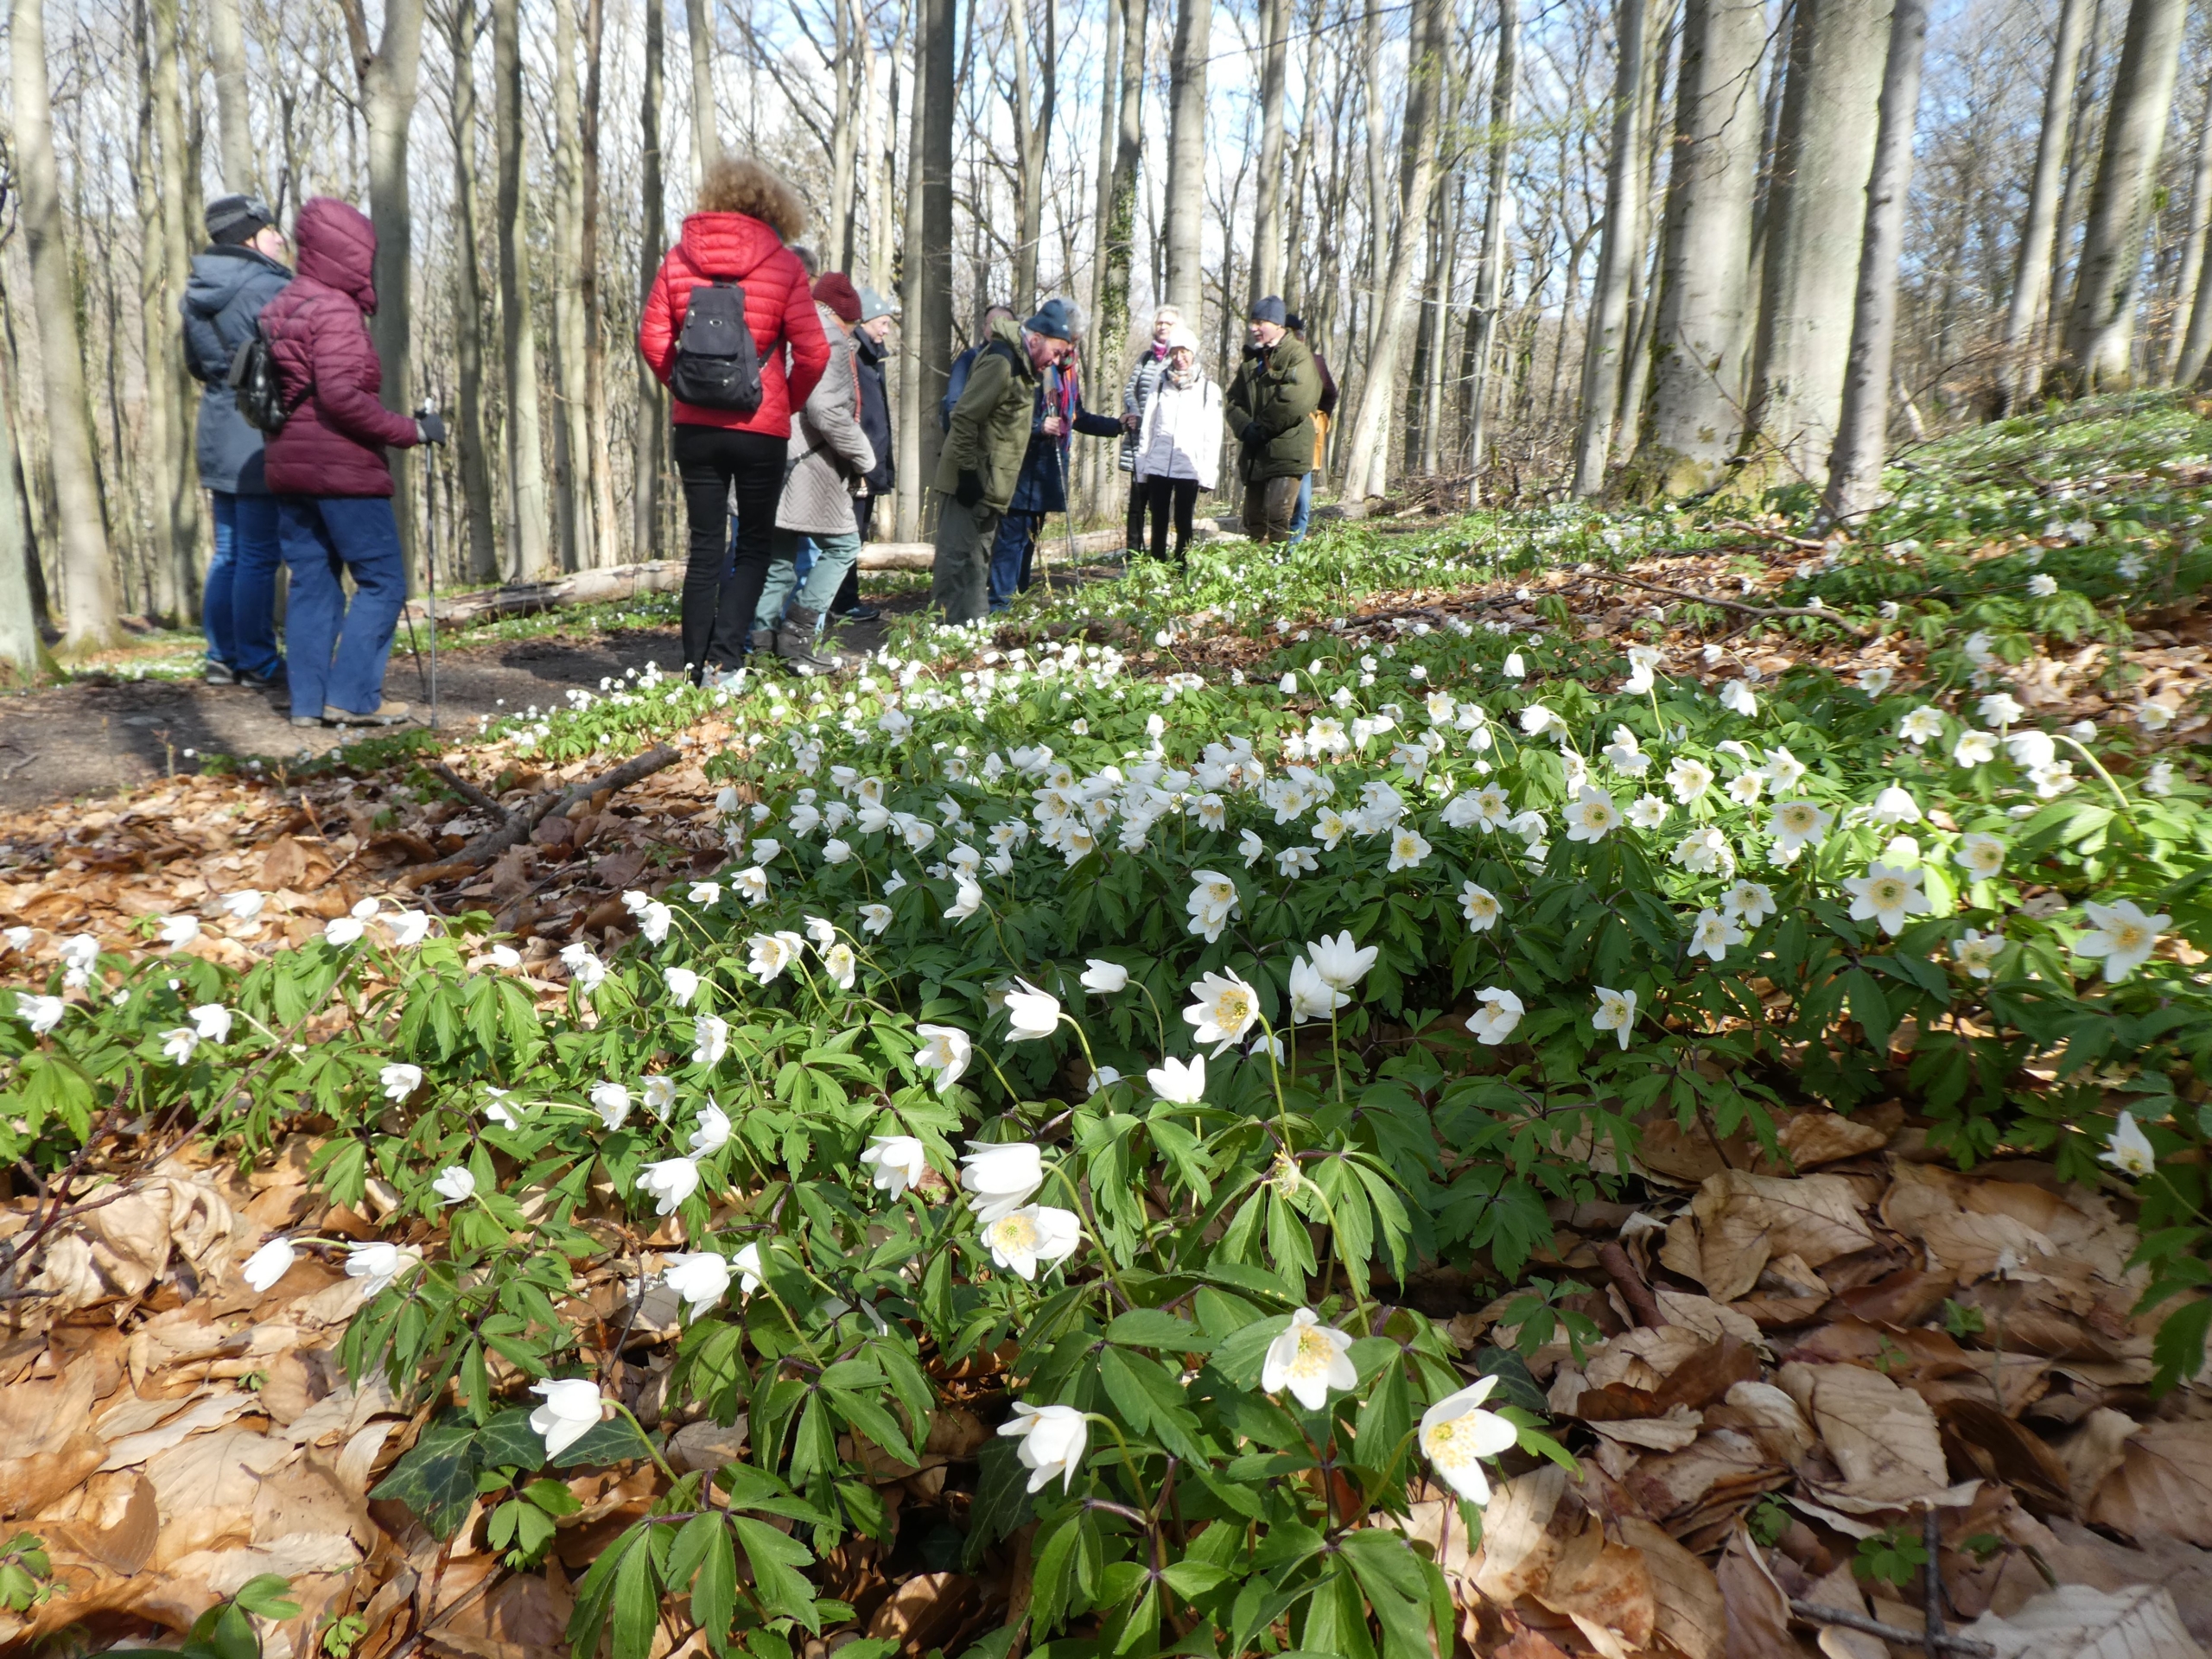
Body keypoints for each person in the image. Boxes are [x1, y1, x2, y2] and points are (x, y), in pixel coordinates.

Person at [639, 156, 830, 683]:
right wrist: (785, 402)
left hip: (695, 430)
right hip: (759, 429)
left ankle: (691, 669)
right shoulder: (784, 265)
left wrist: (685, 388)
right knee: (753, 545)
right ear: (772, 208)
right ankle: (724, 663)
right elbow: (814, 353)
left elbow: (652, 339)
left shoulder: (678, 258)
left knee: (704, 547)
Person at [258, 196, 442, 728]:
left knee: (312, 582)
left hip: (288, 468)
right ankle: (354, 697)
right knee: (382, 582)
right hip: (342, 471)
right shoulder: (336, 310)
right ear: (348, 252)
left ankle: (308, 703)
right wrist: (412, 431)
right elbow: (341, 397)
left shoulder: (280, 305)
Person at [181, 194, 294, 690]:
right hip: (256, 432)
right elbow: (290, 363)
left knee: (229, 550)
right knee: (258, 554)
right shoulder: (268, 287)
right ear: (248, 238)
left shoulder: (196, 290)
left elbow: (195, 363)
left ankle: (222, 657)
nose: (280, 237)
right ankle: (257, 661)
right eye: (270, 230)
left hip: (216, 425)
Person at [749, 272, 874, 673]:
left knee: (779, 560)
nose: (851, 333)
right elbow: (826, 411)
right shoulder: (830, 336)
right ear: (843, 316)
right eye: (852, 326)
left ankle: (760, 648)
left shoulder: (788, 326)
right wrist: (865, 457)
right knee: (844, 546)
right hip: (808, 465)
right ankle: (797, 638)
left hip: (771, 456)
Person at [932, 301, 1081, 624]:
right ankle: (942, 635)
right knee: (956, 562)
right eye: (1056, 352)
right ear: (1037, 339)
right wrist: (967, 473)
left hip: (991, 487)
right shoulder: (1002, 362)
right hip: (968, 483)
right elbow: (964, 417)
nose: (1056, 361)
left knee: (977, 565)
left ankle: (972, 632)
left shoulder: (1024, 367)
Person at [990, 320, 1121, 611]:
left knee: (1030, 538)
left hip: (1049, 468)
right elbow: (1012, 415)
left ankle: (1019, 599)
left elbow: (1077, 417)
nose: (1068, 351)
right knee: (1011, 537)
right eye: (1066, 344)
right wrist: (1039, 426)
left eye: (1073, 344)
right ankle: (999, 604)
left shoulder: (1068, 374)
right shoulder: (1037, 367)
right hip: (1022, 465)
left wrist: (1117, 425)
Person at [1223, 294, 1320, 543]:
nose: (1253, 328)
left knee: (1279, 518)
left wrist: (1262, 428)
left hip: (1287, 451)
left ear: (1278, 324)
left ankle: (1282, 566)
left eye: (1260, 322)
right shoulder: (1251, 362)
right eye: (1252, 322)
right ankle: (1258, 566)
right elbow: (1233, 402)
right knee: (1254, 521)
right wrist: (1246, 428)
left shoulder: (1298, 355)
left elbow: (1296, 400)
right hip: (1256, 453)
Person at [831, 284, 897, 623]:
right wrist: (859, 460)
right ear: (866, 320)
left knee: (855, 534)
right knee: (848, 533)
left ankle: (843, 600)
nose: (886, 331)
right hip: (855, 464)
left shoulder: (871, 358)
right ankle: (842, 602)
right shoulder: (852, 356)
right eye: (882, 323)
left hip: (870, 463)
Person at [1129, 323, 1220, 565]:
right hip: (1158, 464)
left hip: (1189, 467)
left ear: (1193, 353)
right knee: (1158, 521)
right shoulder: (1159, 385)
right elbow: (1148, 426)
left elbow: (1213, 434)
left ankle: (1182, 571)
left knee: (1184, 522)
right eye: (1175, 352)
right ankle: (1157, 569)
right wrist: (1142, 465)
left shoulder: (1209, 389)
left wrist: (1208, 474)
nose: (1180, 358)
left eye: (1185, 352)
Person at [1117, 305, 1182, 558]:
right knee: (1137, 503)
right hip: (1138, 440)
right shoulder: (1145, 358)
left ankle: (1158, 557)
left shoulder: (1179, 359)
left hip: (1163, 441)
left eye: (1169, 323)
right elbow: (1129, 390)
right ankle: (1133, 558)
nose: (1163, 327)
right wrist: (1135, 415)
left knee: (1159, 504)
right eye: (1159, 322)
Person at [1286, 313, 1338, 544]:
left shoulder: (1315, 363)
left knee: (1303, 500)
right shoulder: (1268, 362)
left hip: (1304, 440)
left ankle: (1293, 551)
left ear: (1301, 338)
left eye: (1295, 336)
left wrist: (1319, 420)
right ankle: (1271, 550)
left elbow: (1330, 394)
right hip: (1274, 441)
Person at [941, 305, 1016, 430]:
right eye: (994, 324)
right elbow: (954, 404)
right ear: (984, 328)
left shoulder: (1023, 363)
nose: (1000, 330)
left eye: (1006, 325)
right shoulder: (969, 360)